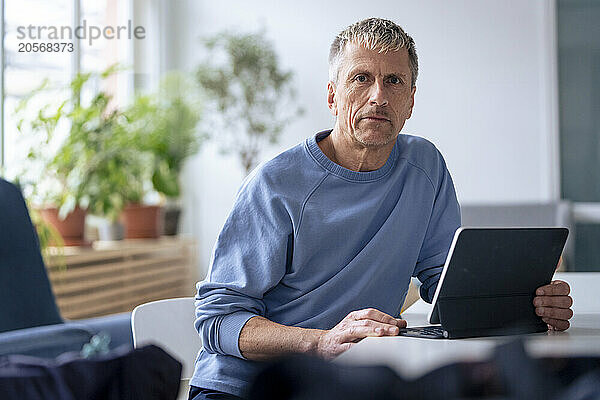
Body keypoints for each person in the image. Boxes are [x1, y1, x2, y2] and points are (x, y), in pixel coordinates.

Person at [188, 18, 574, 400]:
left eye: (394, 81)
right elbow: (217, 320)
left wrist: (529, 301)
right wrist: (321, 342)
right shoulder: (275, 185)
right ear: (332, 97)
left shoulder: (425, 166)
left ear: (410, 101)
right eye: (360, 78)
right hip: (246, 387)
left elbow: (446, 280)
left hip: (350, 382)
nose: (378, 96)